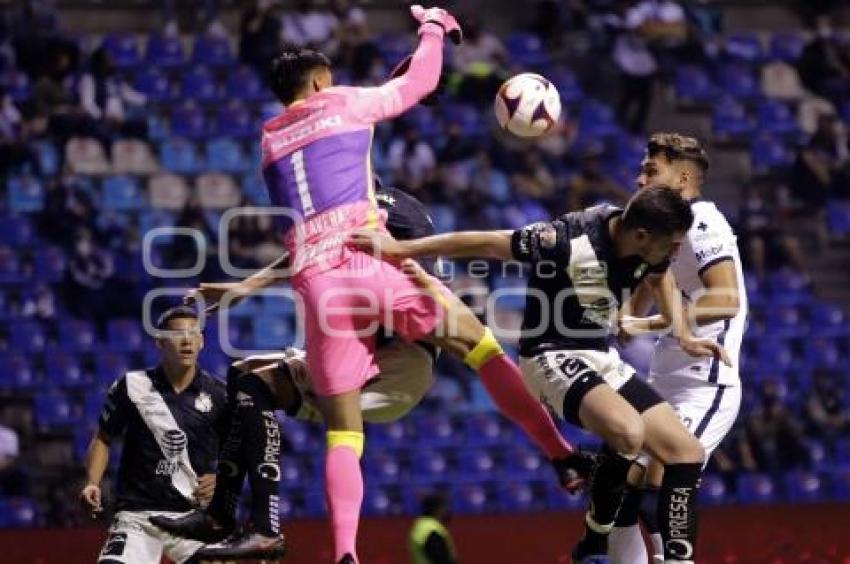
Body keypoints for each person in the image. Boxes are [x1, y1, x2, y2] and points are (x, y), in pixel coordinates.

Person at [160, 11, 582, 559]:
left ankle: (344, 554)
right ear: (317, 82)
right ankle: (561, 453)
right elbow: (418, 84)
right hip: (370, 259)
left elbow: (340, 149)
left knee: (344, 433)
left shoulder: (267, 141)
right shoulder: (343, 103)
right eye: (330, 80)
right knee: (479, 348)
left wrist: (242, 289)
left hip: (317, 281)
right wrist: (435, 28)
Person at [151, 183, 593, 559]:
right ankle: (243, 519)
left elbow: (411, 261)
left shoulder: (385, 205)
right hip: (366, 348)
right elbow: (309, 253)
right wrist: (246, 285)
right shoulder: (329, 219)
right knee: (250, 380)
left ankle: (559, 451)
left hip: (404, 355)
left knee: (475, 352)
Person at [352, 185, 729, 564]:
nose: (677, 252)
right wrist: (400, 249)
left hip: (601, 356)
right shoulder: (567, 238)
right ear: (643, 236)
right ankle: (595, 541)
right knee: (629, 432)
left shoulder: (651, 243)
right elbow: (488, 243)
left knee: (686, 453)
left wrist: (681, 332)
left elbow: (658, 273)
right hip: (550, 355)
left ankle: (679, 560)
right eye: (674, 243)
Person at [608, 133, 747, 563]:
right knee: (617, 487)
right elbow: (657, 277)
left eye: (651, 170)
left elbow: (727, 299)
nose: (639, 178)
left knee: (659, 474)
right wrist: (628, 317)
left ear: (682, 176)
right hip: (663, 381)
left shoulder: (703, 220)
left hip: (703, 384)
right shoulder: (668, 227)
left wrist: (650, 321)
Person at [79, 307, 228, 564]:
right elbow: (103, 437)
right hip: (138, 517)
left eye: (194, 333)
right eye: (177, 333)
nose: (186, 340)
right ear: (159, 341)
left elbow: (240, 450)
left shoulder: (219, 394)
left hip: (194, 517)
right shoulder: (131, 386)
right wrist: (92, 482)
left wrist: (223, 478)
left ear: (202, 341)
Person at [409, 493, 457, 564]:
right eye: (444, 508)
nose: (447, 511)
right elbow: (441, 559)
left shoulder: (420, 526)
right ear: (437, 509)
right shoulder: (432, 530)